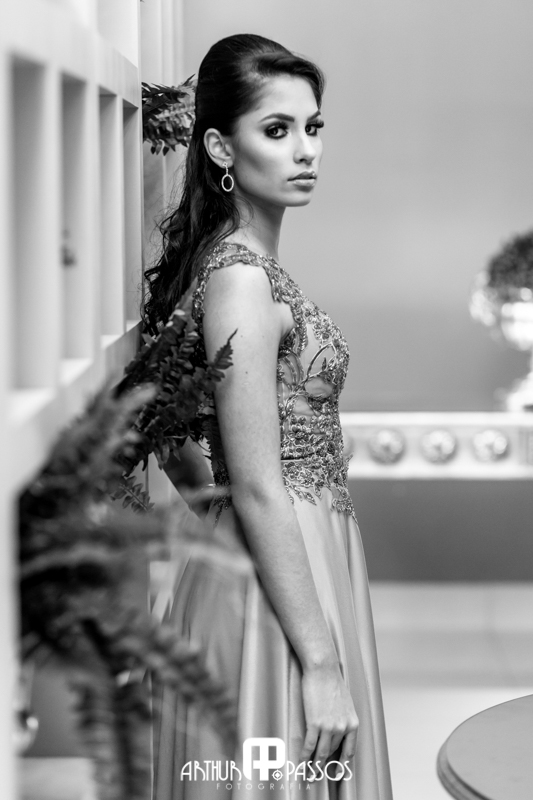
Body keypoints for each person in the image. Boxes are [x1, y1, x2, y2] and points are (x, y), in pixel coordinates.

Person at [144, 33, 393, 800]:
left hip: (290, 558)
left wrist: (225, 517)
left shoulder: (241, 267)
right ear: (221, 147)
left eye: (311, 128)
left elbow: (179, 446)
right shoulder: (241, 280)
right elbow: (253, 483)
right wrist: (319, 663)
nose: (304, 150)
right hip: (277, 578)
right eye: (276, 130)